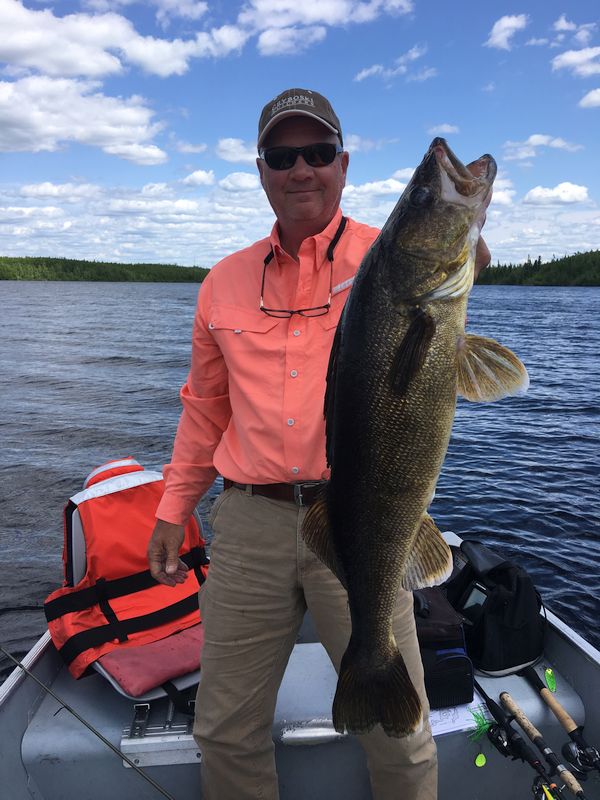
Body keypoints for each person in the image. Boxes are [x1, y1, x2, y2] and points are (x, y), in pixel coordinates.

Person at [148, 87, 492, 800]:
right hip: (249, 522)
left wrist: (464, 241)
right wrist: (172, 507)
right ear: (262, 169)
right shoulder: (222, 284)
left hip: (368, 517)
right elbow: (204, 408)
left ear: (343, 163)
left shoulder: (387, 257)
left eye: (317, 153)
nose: (300, 169)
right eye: (282, 155)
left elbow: (456, 273)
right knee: (224, 728)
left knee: (401, 733)